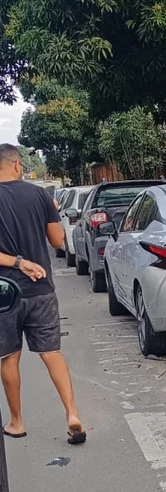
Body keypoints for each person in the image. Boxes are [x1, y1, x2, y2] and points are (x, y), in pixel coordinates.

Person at [0, 145, 86, 443]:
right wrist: (53, 214)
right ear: (15, 165)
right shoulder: (39, 196)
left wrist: (15, 263)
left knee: (9, 356)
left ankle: (16, 422)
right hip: (41, 290)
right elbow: (59, 241)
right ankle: (72, 413)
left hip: (4, 294)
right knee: (51, 353)